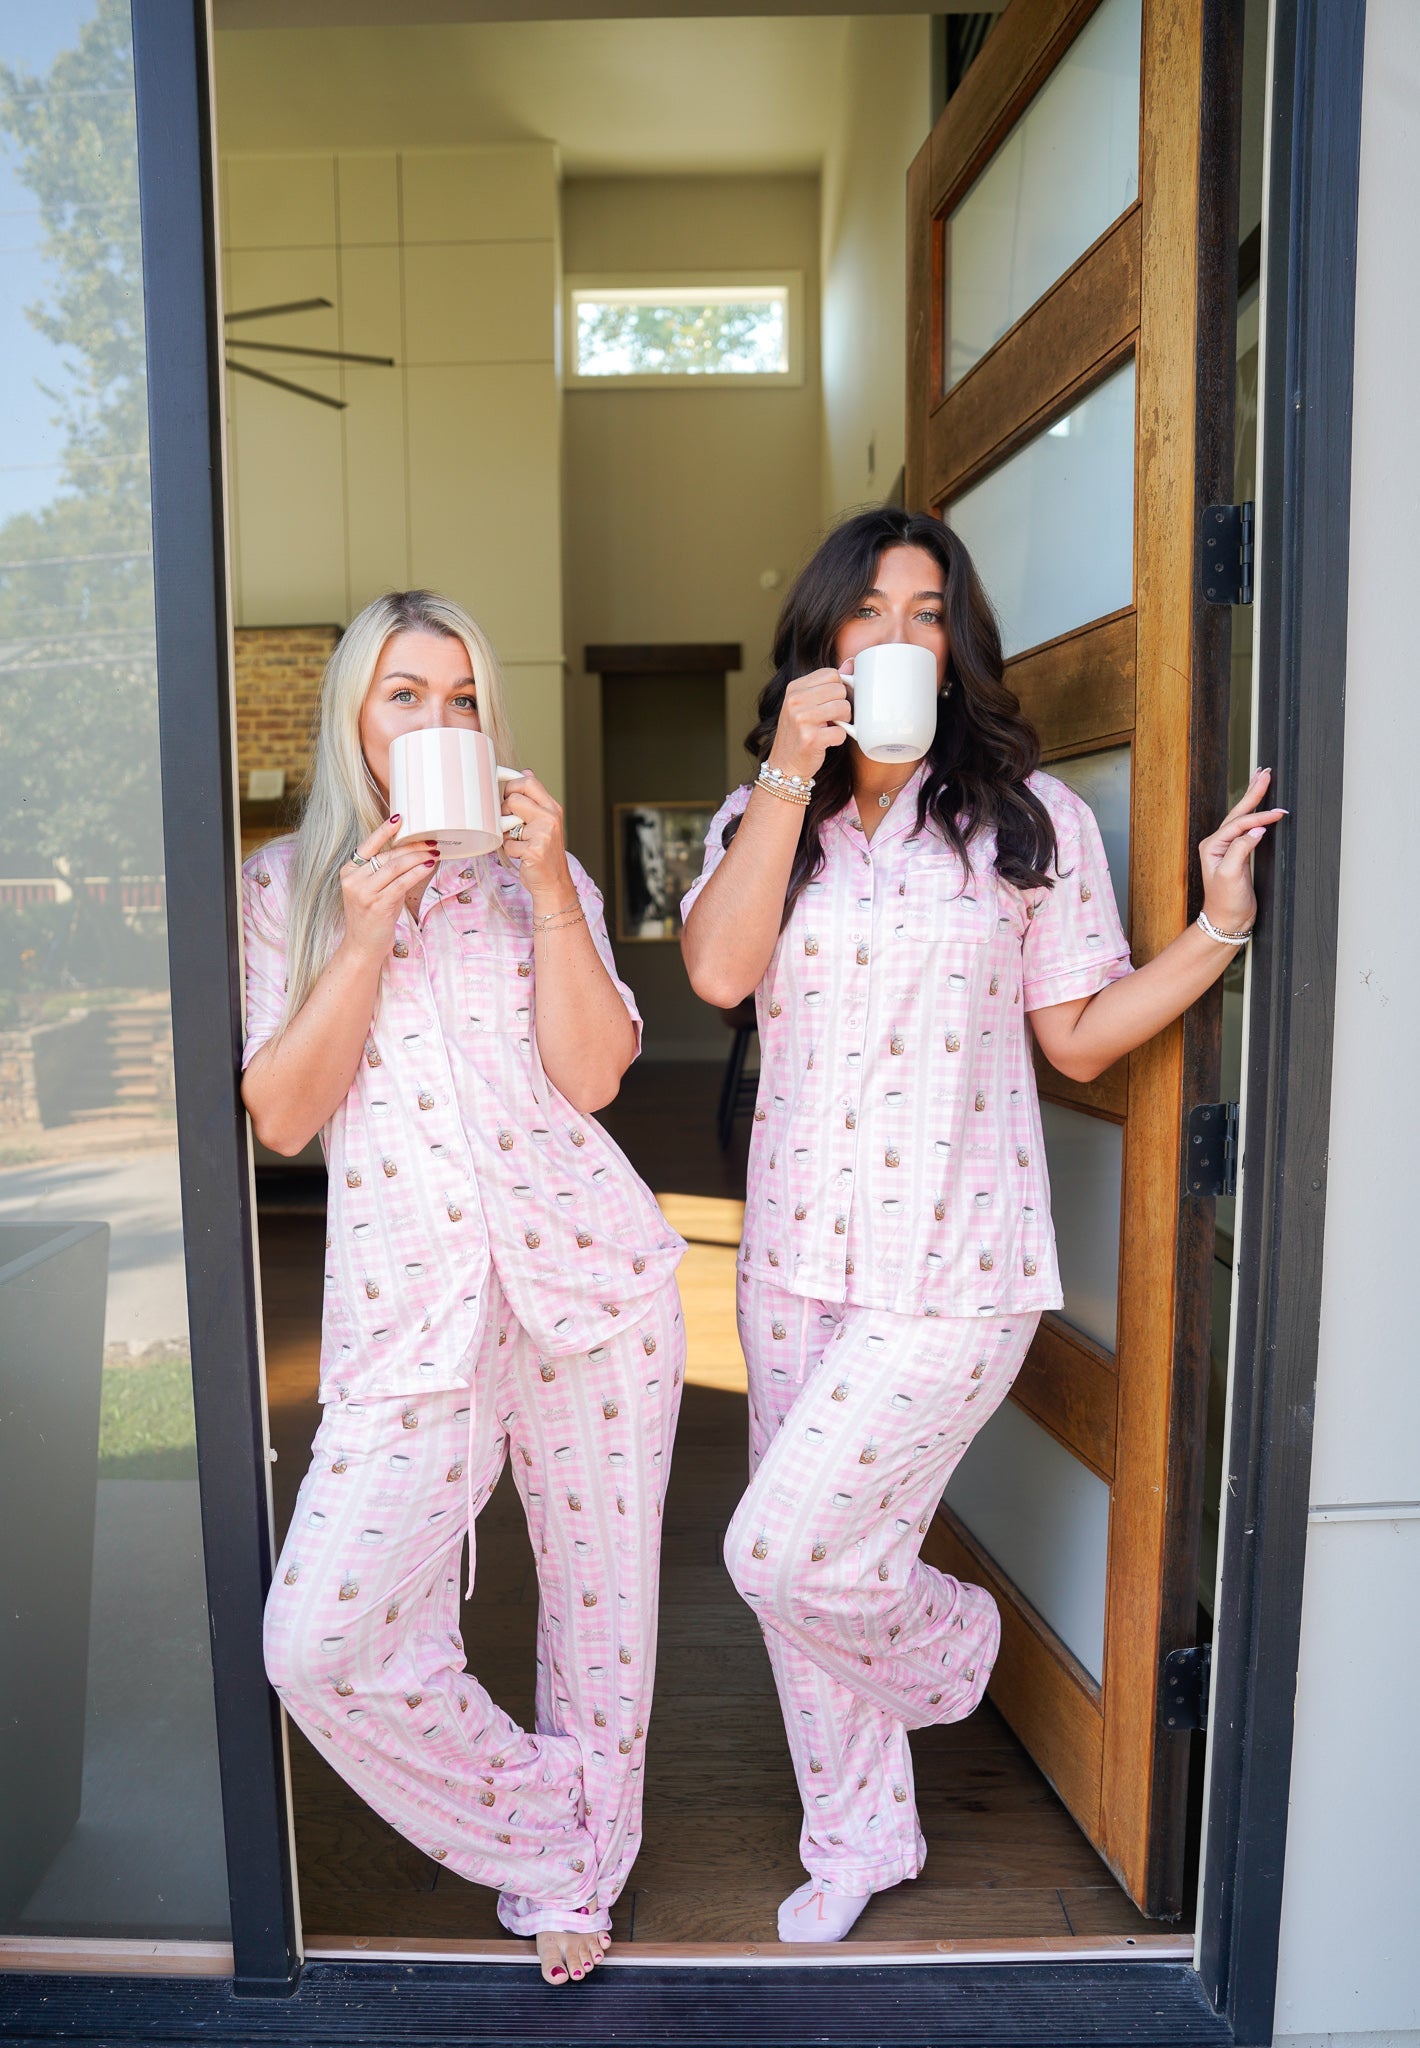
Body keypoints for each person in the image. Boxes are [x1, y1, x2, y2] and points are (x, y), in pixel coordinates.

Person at [680, 509, 1283, 1943]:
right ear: (824, 638)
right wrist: (787, 776)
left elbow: (1076, 1035)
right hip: (793, 1261)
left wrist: (1217, 927)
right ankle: (857, 1840)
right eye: (870, 610)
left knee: (780, 1553)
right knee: (820, 1559)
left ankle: (958, 1647)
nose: (898, 635)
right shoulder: (764, 817)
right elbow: (716, 973)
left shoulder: (1030, 822)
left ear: (957, 645)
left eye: (928, 612)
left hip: (960, 1267)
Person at [241, 590, 685, 1985]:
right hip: (409, 1314)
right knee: (320, 1640)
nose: (441, 721)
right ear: (356, 721)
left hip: (596, 1285)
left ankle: (577, 1874)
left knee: (602, 1609)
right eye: (407, 696)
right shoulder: (282, 889)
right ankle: (548, 1823)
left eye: (465, 699)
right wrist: (362, 934)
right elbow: (283, 1115)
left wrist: (548, 887)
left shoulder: (537, 877)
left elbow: (594, 1078)